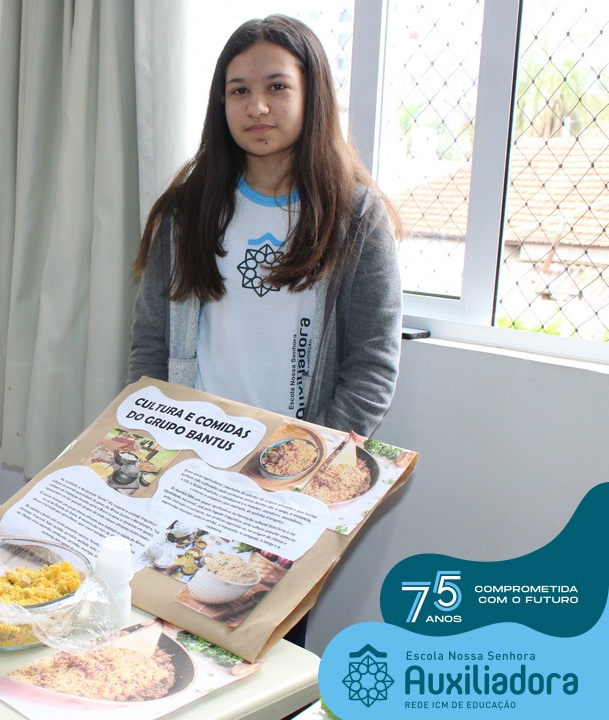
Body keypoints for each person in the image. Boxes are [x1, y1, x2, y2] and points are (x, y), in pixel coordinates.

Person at [127, 16, 403, 646]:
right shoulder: (189, 209)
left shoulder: (356, 216)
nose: (257, 106)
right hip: (193, 463)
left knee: (258, 647)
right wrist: (152, 445)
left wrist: (310, 477)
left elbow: (372, 366)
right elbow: (150, 342)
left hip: (290, 483)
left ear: (312, 95)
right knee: (158, 636)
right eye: (238, 90)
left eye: (277, 87)